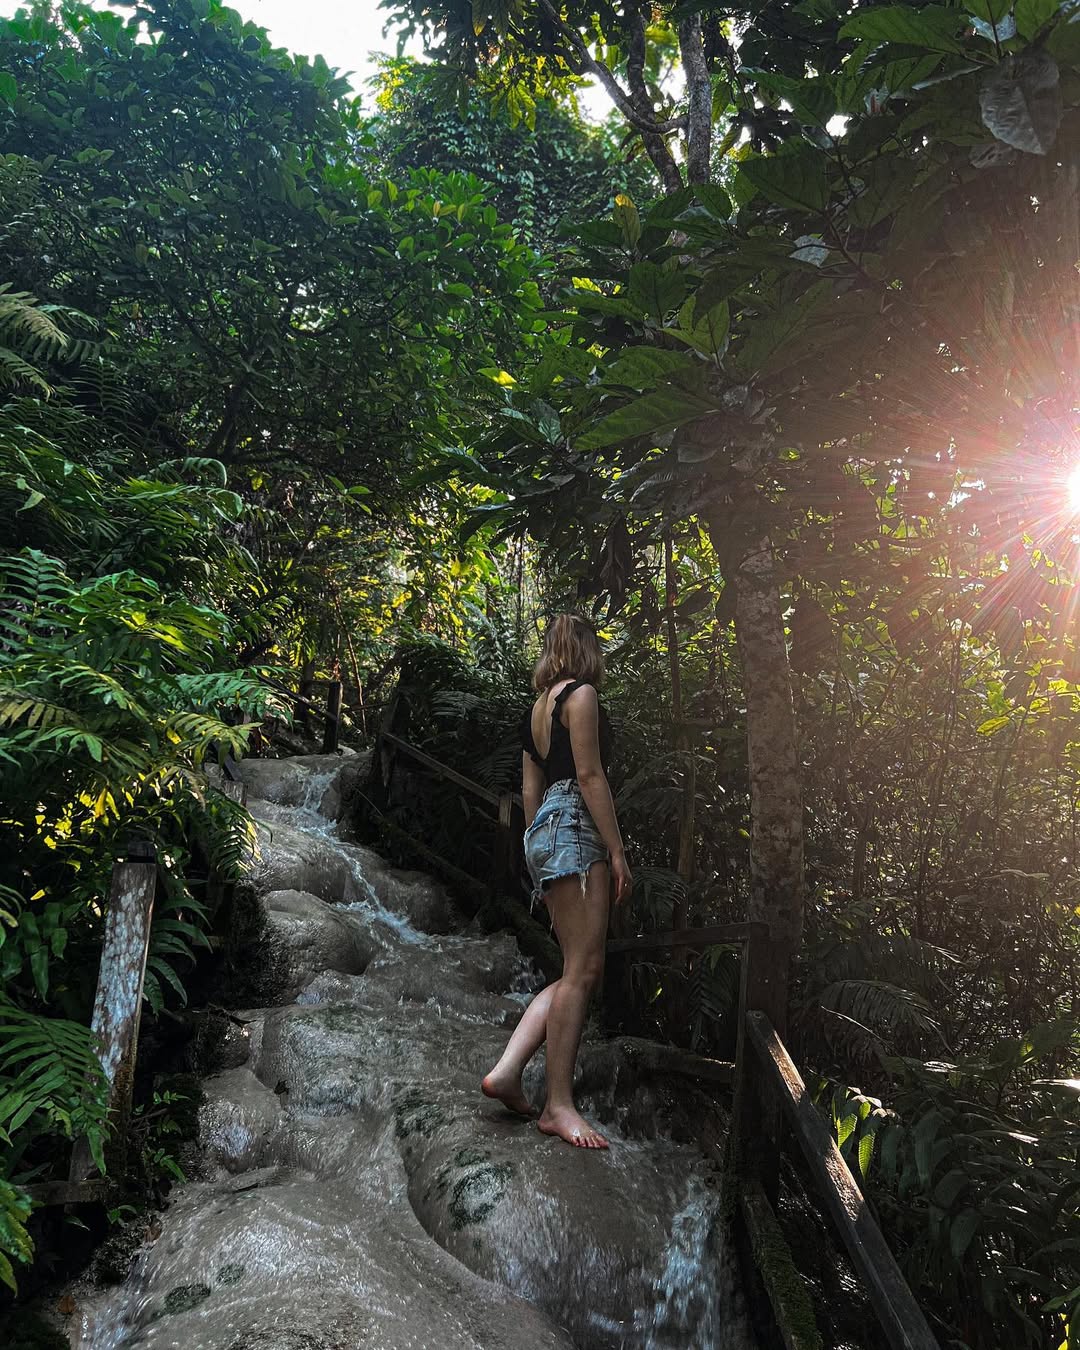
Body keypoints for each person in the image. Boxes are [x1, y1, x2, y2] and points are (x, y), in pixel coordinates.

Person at [481, 613, 632, 1149]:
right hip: (574, 823)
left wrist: (533, 853)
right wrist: (615, 850)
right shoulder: (582, 695)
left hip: (544, 828)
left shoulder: (536, 710)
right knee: (584, 970)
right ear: (585, 649)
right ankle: (558, 1105)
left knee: (573, 969)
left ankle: (508, 1070)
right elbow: (589, 776)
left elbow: (529, 794)